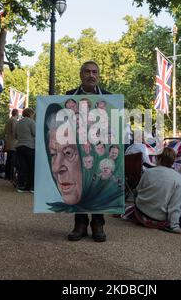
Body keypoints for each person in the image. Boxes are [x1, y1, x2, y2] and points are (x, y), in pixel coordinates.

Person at [65, 61, 112, 243]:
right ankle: (80, 224)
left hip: (100, 148)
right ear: (80, 74)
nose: (91, 75)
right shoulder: (69, 96)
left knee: (99, 181)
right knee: (80, 183)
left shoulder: (109, 97)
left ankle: (98, 224)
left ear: (98, 75)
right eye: (87, 72)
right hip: (77, 149)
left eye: (94, 72)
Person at [134, 148, 181, 234]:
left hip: (140, 214)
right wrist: (175, 227)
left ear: (159, 159)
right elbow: (175, 206)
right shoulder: (178, 177)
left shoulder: (148, 172)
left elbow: (138, 190)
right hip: (159, 219)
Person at [15, 107, 35, 193]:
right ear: (30, 114)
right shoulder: (32, 122)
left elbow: (15, 135)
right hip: (29, 146)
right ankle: (31, 187)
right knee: (31, 167)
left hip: (19, 146)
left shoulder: (18, 122)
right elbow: (35, 133)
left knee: (22, 167)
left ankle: (20, 186)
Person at [4, 109, 18, 181]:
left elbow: (5, 131)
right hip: (13, 143)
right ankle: (11, 176)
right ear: (17, 113)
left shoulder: (8, 120)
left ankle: (7, 175)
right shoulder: (14, 120)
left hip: (8, 142)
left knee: (8, 160)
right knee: (12, 161)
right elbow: (14, 131)